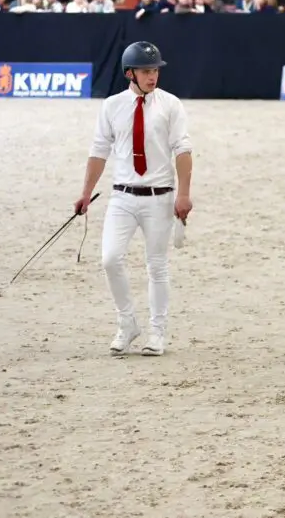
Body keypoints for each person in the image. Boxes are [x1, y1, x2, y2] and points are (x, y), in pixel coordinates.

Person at [74, 41, 193, 356]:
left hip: (160, 197)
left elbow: (182, 150)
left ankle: (157, 332)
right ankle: (127, 323)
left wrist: (184, 193)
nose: (152, 76)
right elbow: (99, 151)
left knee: (157, 266)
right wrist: (86, 193)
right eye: (145, 71)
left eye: (155, 70)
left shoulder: (171, 105)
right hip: (122, 197)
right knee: (110, 259)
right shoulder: (112, 106)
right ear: (130, 73)